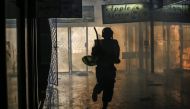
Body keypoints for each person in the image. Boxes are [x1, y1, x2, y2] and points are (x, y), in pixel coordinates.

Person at [91, 27, 120, 109]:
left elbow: (116, 55)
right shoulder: (101, 43)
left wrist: (115, 59)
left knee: (107, 85)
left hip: (104, 68)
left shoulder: (100, 43)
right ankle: (97, 93)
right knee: (107, 85)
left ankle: (103, 103)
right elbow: (94, 55)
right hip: (105, 68)